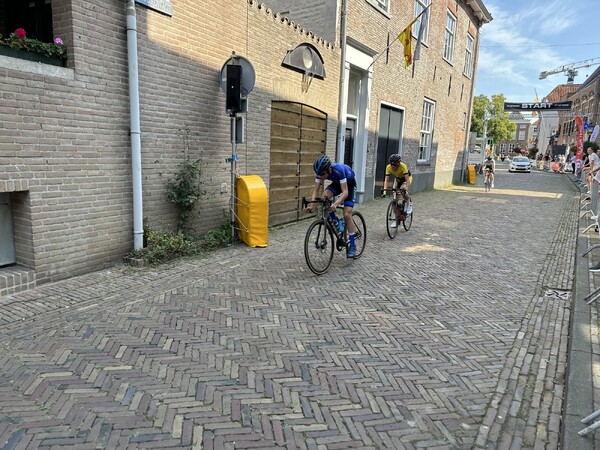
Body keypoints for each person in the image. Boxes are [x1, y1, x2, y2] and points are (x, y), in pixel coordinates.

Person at [305, 155, 358, 258]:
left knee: (347, 214)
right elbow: (315, 191)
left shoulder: (339, 170)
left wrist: (336, 204)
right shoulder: (321, 173)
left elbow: (345, 192)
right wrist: (311, 205)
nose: (320, 177)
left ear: (329, 169)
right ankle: (336, 221)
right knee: (324, 196)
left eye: (322, 174)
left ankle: (352, 245)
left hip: (349, 185)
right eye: (318, 175)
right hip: (337, 183)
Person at [381, 154, 413, 227]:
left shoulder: (403, 166)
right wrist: (384, 191)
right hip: (398, 179)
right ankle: (396, 219)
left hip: (406, 179)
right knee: (394, 200)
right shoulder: (388, 167)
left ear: (398, 164)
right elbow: (386, 180)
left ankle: (409, 202)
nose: (393, 167)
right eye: (392, 165)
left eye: (395, 165)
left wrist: (406, 189)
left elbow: (407, 180)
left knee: (402, 189)